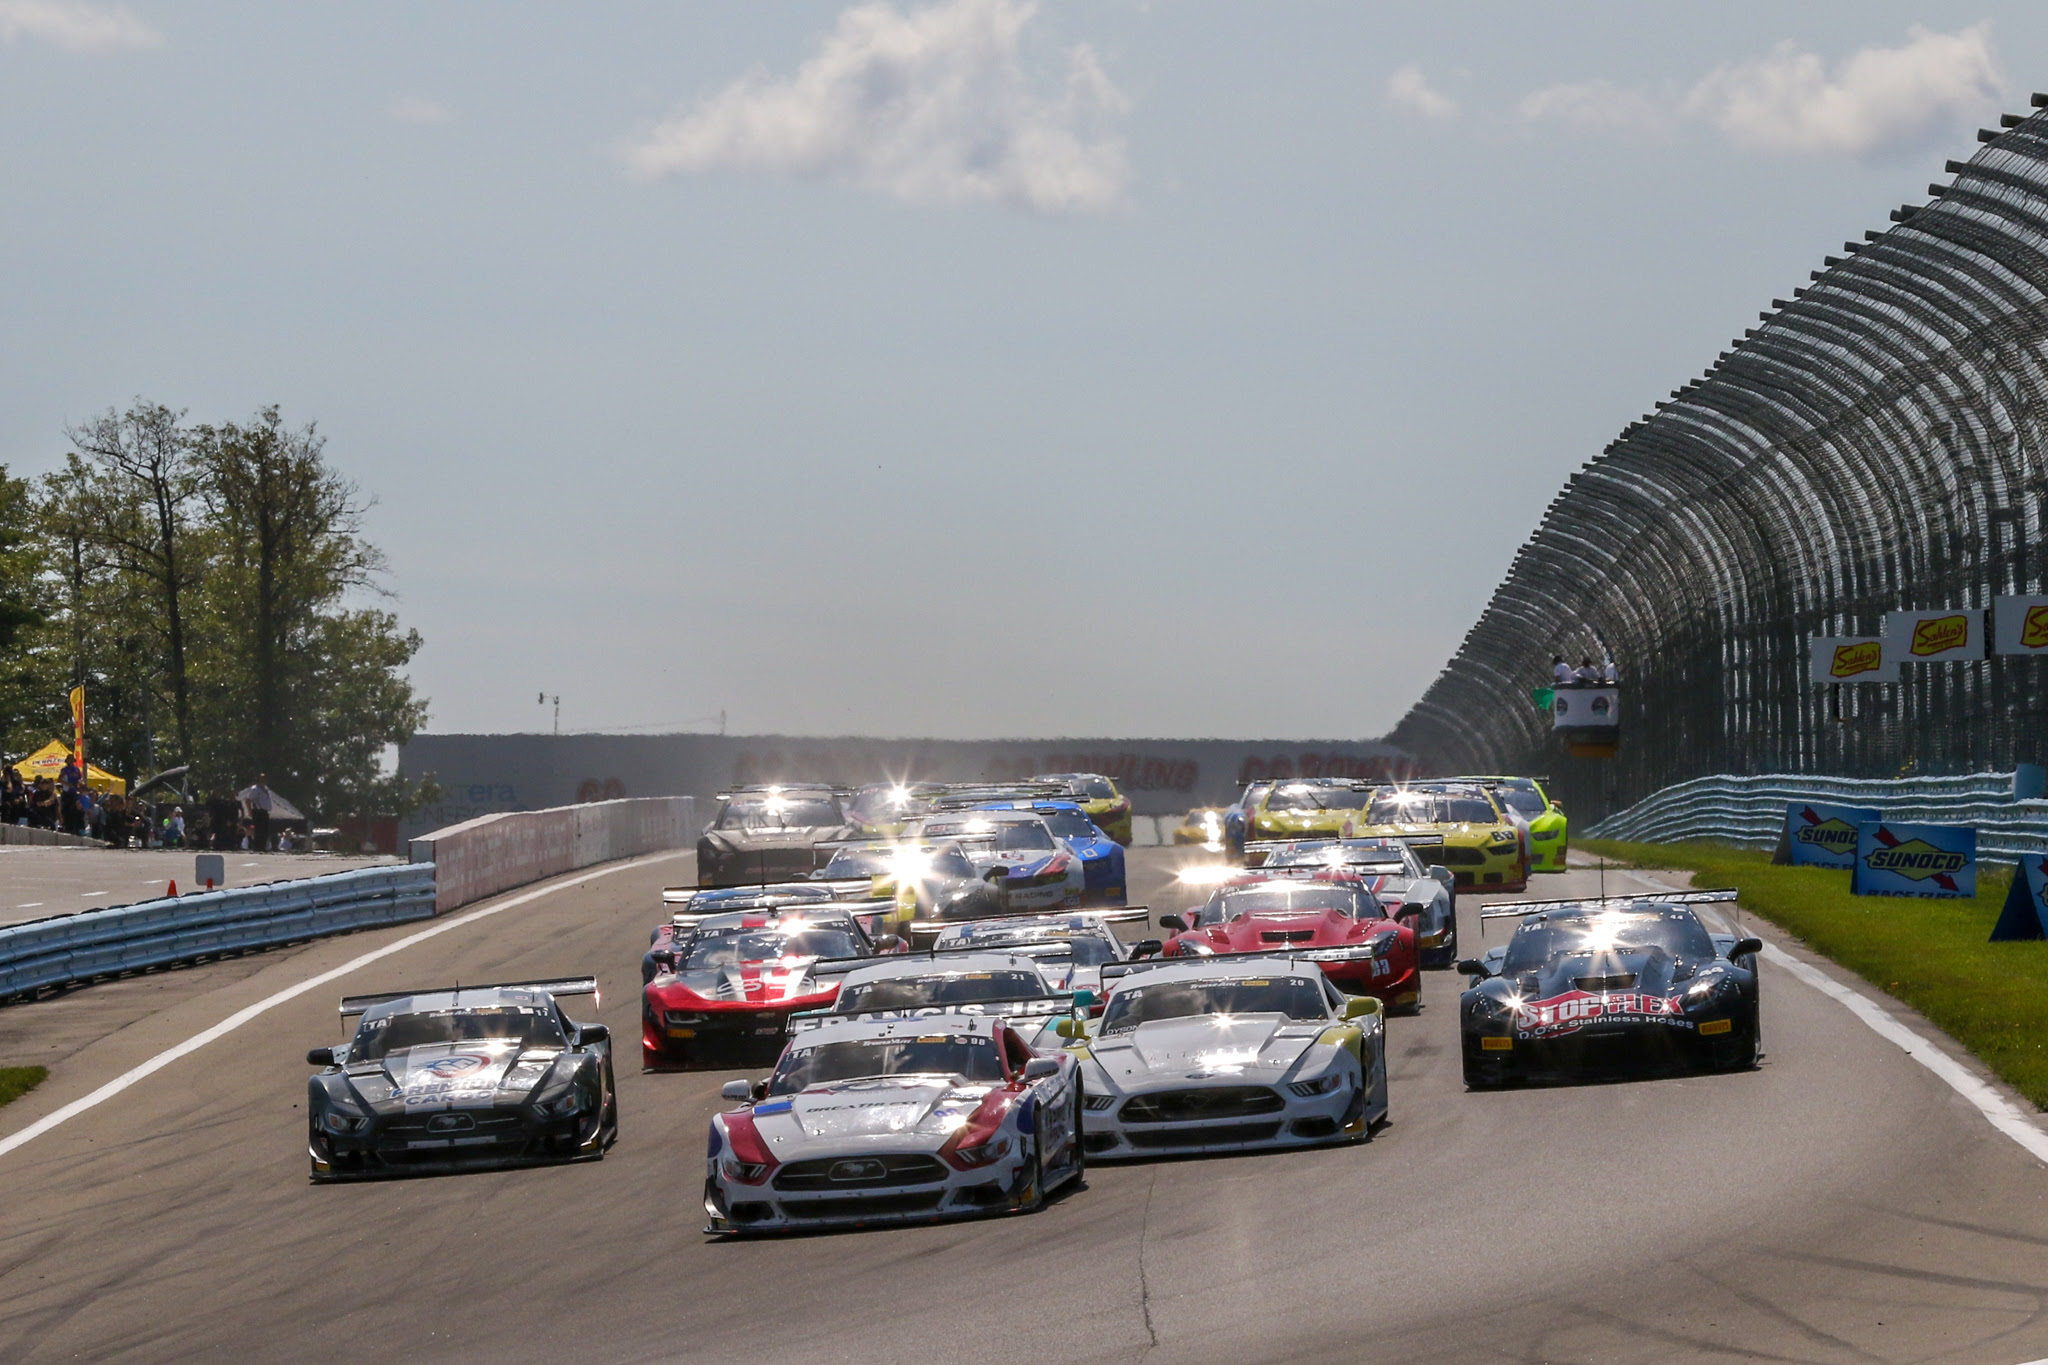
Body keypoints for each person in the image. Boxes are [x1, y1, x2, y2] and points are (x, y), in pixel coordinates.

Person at [246, 774, 274, 852]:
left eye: (265, 779)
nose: (265, 780)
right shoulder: (255, 789)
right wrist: (250, 811)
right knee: (259, 830)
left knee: (265, 830)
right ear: (259, 779)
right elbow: (248, 800)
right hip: (258, 811)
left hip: (265, 812)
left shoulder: (265, 789)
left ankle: (262, 847)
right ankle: (257, 847)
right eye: (262, 779)